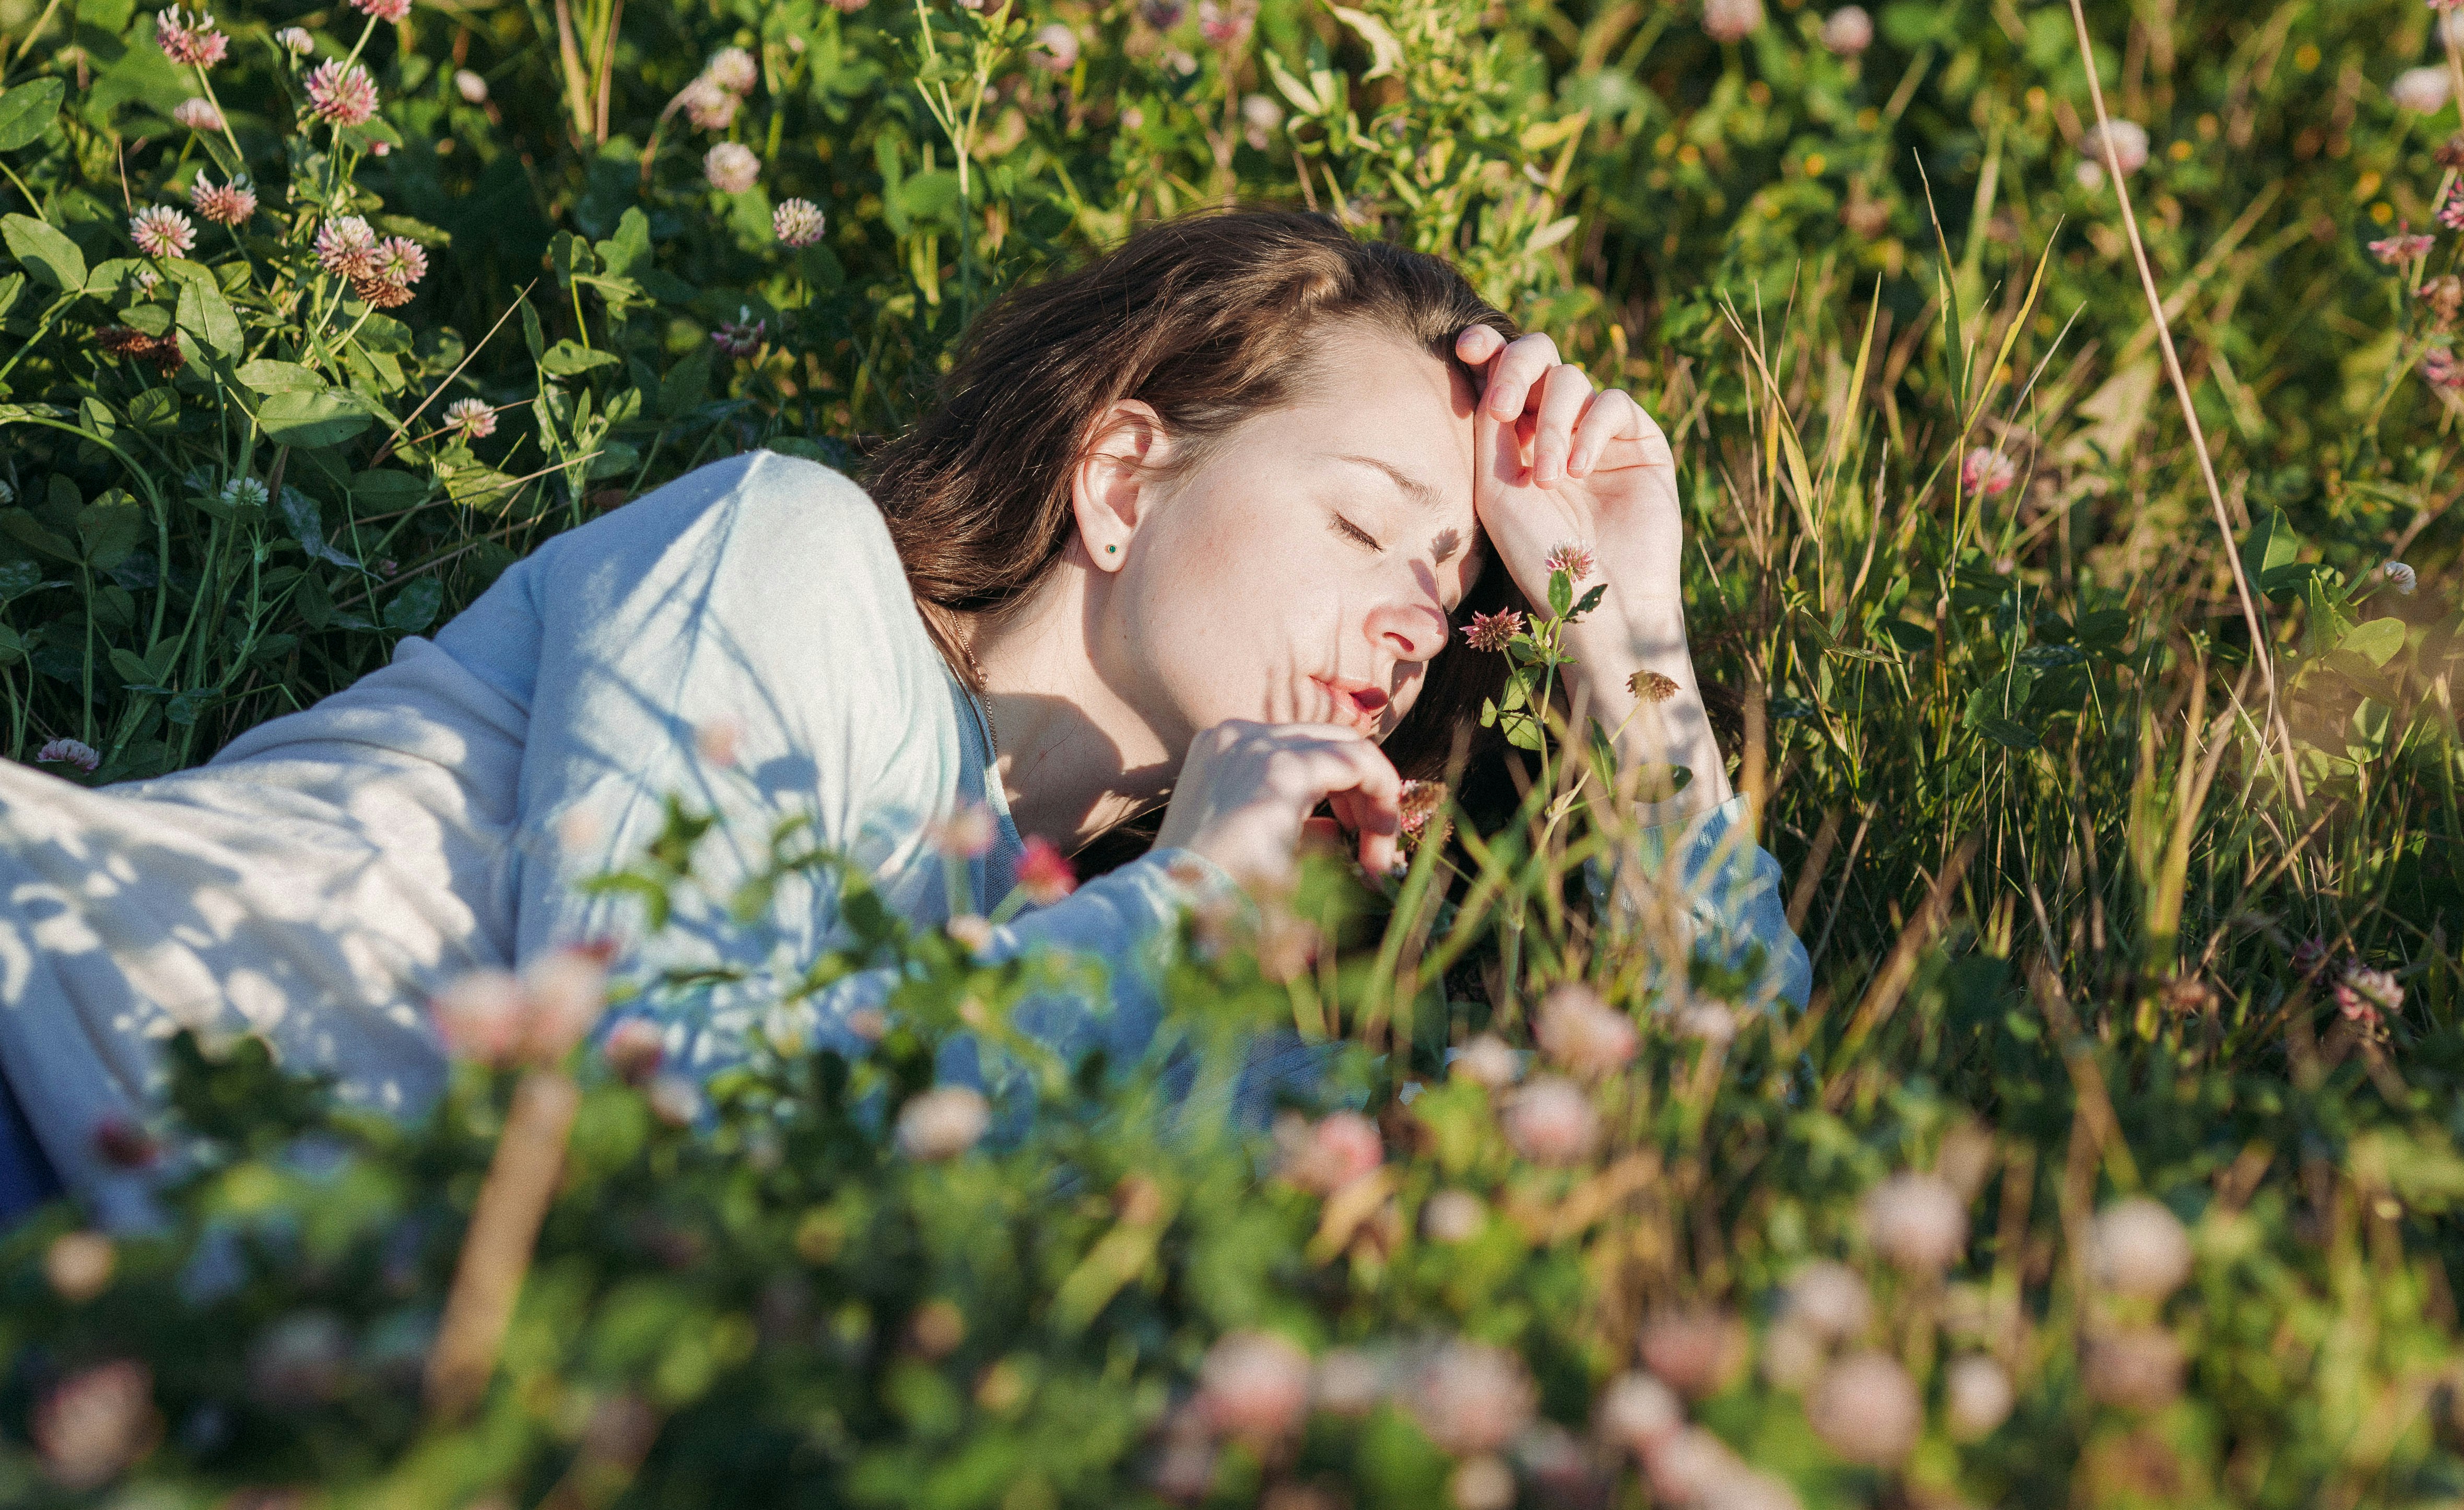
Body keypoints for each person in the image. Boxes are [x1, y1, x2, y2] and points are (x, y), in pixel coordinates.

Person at [0, 209, 1810, 1231]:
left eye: (1454, 570)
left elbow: (1708, 1153)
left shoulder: (1131, 971)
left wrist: (1623, 631)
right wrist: (1177, 910)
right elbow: (656, 1132)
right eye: (1360, 522)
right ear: (1119, 476)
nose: (1422, 612)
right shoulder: (787, 560)